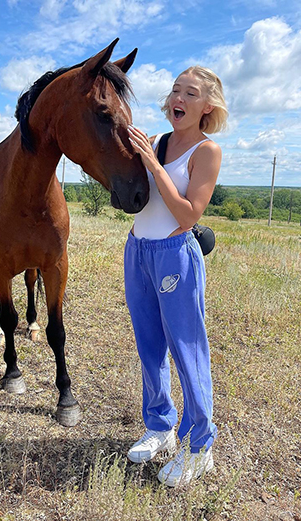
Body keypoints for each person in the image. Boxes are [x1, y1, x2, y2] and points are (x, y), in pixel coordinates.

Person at [124, 66, 228, 487]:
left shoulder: (206, 151)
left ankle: (200, 445)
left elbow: (188, 215)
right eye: (174, 91)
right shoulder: (155, 140)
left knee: (187, 349)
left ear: (207, 106)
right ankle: (161, 426)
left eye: (190, 93)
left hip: (174, 255)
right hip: (137, 251)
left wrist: (152, 163)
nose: (178, 98)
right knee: (149, 345)